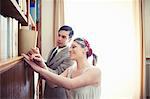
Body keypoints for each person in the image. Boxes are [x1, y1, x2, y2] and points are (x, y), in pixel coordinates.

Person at [22, 37, 101, 99]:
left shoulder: (95, 71)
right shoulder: (70, 70)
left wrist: (39, 69)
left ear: (85, 49)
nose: (69, 50)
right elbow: (52, 84)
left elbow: (70, 84)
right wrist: (42, 65)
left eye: (73, 47)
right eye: (70, 47)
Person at [27, 25, 74, 99]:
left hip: (59, 94)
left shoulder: (70, 56)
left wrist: (41, 63)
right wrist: (38, 58)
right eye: (59, 35)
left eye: (63, 37)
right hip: (48, 92)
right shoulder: (53, 50)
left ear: (70, 39)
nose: (59, 39)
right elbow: (48, 66)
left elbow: (57, 76)